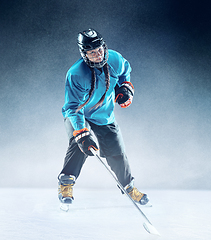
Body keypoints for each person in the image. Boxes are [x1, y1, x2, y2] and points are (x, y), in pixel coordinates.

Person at [58, 28, 149, 206]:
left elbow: (125, 72)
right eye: (92, 53)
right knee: (81, 144)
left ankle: (128, 187)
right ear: (84, 54)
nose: (98, 55)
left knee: (117, 151)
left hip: (104, 115)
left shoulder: (114, 58)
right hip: (78, 115)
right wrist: (82, 132)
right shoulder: (76, 74)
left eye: (100, 50)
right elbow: (73, 106)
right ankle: (66, 184)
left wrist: (124, 87)